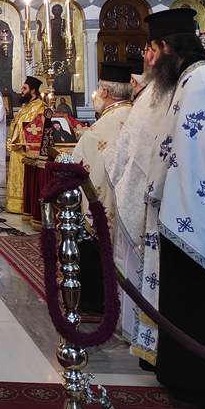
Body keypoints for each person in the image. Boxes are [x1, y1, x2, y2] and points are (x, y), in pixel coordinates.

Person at [135, 8, 205, 409]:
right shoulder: (191, 82)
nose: (149, 61)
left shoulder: (200, 87)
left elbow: (197, 162)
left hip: (199, 224)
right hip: (187, 216)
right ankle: (186, 377)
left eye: (152, 49)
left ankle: (201, 383)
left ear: (166, 47)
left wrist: (168, 203)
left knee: (198, 303)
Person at [103, 44, 172, 354]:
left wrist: (109, 160)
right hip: (149, 195)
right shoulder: (154, 97)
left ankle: (135, 329)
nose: (147, 56)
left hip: (147, 197)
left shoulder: (155, 98)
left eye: (151, 49)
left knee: (136, 264)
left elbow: (124, 154)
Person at [71, 62, 133, 314]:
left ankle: (94, 302)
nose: (95, 94)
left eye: (97, 89)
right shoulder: (138, 115)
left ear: (106, 92)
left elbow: (77, 164)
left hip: (105, 210)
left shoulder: (99, 129)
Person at [5, 76, 46, 214]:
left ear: (33, 91)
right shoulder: (26, 107)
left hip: (25, 150)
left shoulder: (40, 107)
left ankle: (24, 206)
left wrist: (19, 140)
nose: (21, 91)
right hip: (17, 148)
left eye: (24, 88)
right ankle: (14, 206)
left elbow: (37, 129)